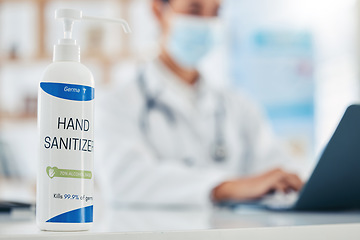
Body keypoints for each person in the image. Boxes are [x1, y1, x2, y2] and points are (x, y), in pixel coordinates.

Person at [96, 0, 303, 207]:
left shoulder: (238, 105)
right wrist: (224, 188)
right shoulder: (116, 103)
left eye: (215, 12)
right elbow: (125, 179)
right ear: (158, 10)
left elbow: (273, 167)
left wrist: (287, 181)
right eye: (194, 10)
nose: (207, 23)